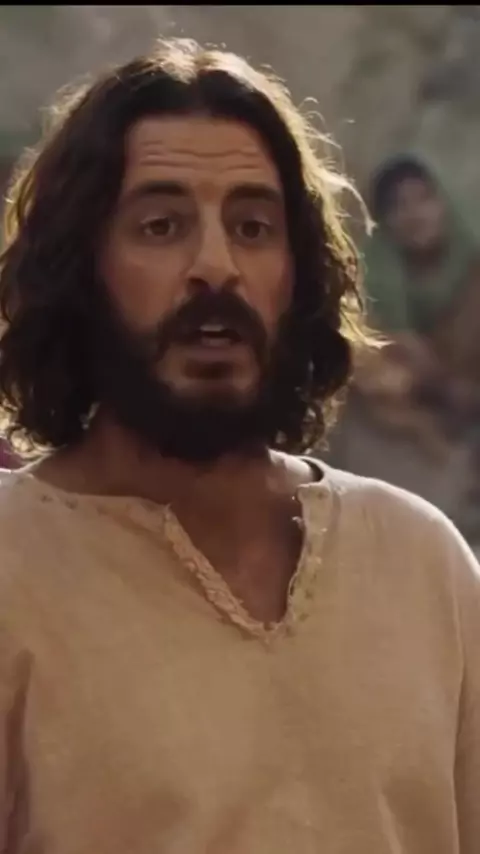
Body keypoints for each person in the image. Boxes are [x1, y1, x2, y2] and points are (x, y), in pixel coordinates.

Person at [0, 39, 478, 854]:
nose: (216, 267)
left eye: (254, 227)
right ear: (81, 269)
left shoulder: (420, 564)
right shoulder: (15, 566)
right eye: (161, 226)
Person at [354, 155, 480, 459]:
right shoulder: (377, 275)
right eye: (399, 206)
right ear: (384, 222)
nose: (415, 215)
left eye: (424, 199)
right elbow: (388, 346)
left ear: (442, 203)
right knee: (374, 373)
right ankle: (432, 434)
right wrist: (442, 382)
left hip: (467, 366)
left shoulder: (469, 253)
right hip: (420, 380)